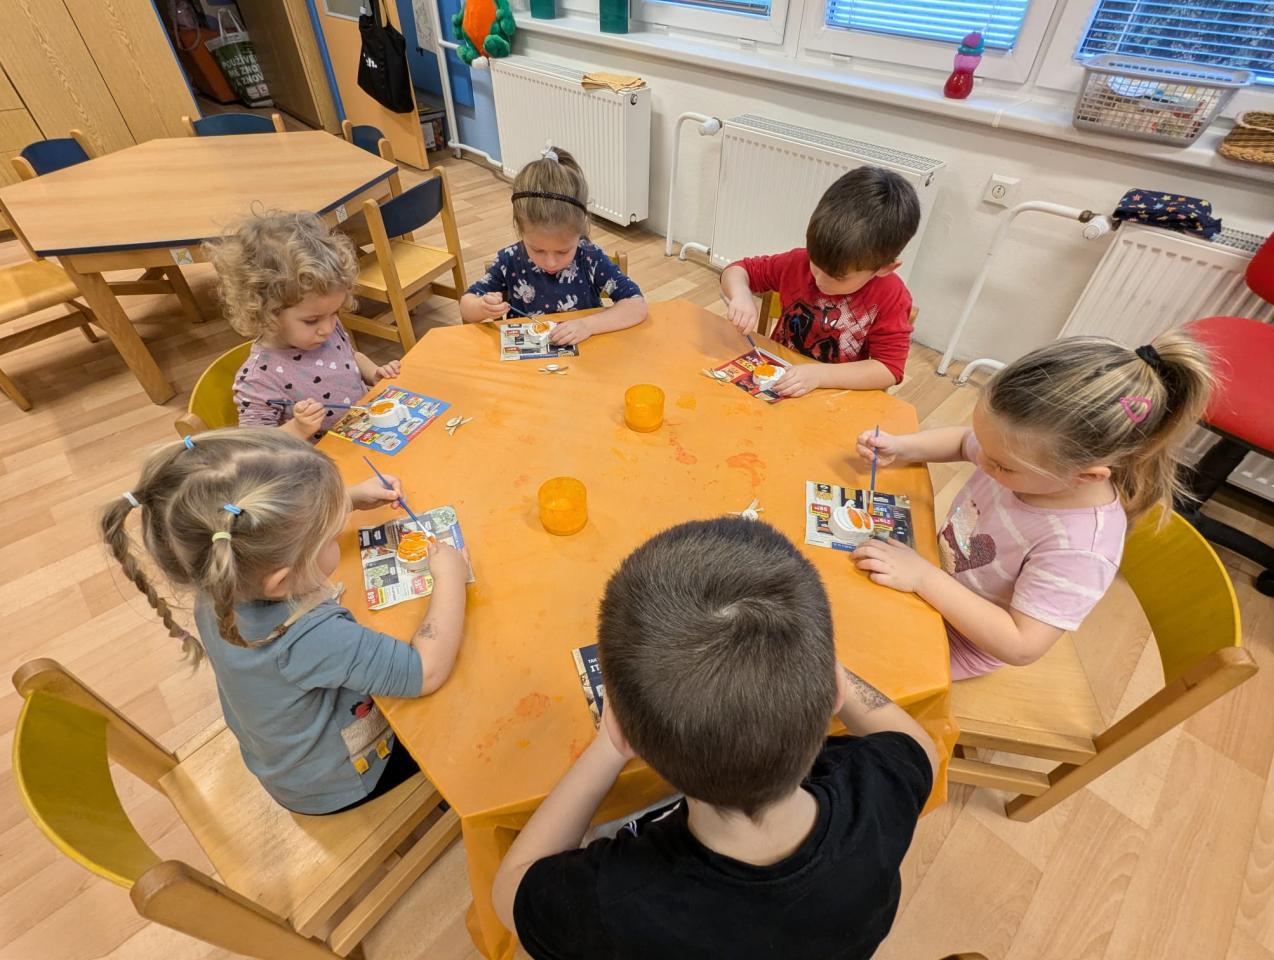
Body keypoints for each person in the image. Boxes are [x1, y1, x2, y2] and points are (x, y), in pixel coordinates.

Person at [492, 517, 939, 960]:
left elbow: (511, 886)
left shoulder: (615, 900)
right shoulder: (880, 792)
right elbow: (917, 746)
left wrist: (610, 746)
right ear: (834, 690)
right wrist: (817, 665)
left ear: (628, 732)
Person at [101, 428, 470, 814]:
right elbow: (426, 671)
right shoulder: (312, 636)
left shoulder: (219, 583)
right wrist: (450, 577)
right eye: (329, 537)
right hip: (345, 780)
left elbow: (264, 536)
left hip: (286, 764)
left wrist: (345, 500)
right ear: (280, 582)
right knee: (463, 723)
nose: (334, 538)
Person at [852, 329, 1215, 680]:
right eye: (986, 447)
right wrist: (904, 448)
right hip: (932, 579)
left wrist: (923, 577)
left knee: (843, 662)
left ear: (1086, 476)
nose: (983, 461)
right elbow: (964, 442)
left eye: (1002, 466)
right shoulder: (1021, 458)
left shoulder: (1080, 548)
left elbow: (1021, 645)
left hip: (962, 640)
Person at [720, 166, 920, 396]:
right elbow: (737, 270)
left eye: (838, 277)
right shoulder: (798, 262)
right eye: (815, 263)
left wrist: (820, 375)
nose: (819, 280)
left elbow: (888, 369)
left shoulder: (891, 296)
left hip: (833, 393)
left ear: (884, 268)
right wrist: (741, 295)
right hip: (779, 381)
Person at [208, 211, 401, 443]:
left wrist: (374, 373)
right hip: (324, 457)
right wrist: (298, 429)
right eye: (312, 320)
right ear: (266, 312)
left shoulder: (325, 327)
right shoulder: (258, 379)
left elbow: (351, 357)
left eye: (334, 313)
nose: (327, 328)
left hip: (365, 432)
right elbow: (257, 444)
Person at [460, 146, 647, 346]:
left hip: (586, 356)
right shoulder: (509, 260)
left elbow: (637, 304)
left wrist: (588, 325)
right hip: (529, 359)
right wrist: (482, 307)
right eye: (538, 250)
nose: (550, 262)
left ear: (580, 233)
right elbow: (466, 306)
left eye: (563, 251)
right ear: (521, 231)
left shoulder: (590, 257)